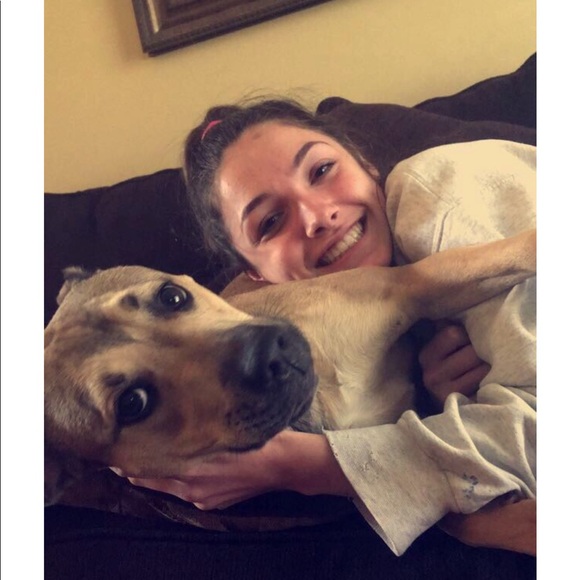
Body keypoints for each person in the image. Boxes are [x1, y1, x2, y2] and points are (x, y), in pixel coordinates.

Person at [122, 99, 536, 556]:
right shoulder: (396, 336)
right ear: (256, 275)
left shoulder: (433, 196)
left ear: (366, 165)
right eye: (271, 222)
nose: (318, 217)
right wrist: (447, 402)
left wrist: (308, 466)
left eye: (321, 171)